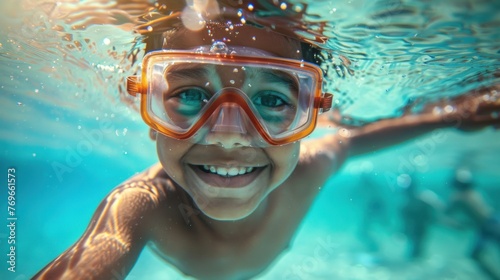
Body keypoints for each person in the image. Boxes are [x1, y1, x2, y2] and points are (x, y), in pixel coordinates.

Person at [33, 1, 500, 279]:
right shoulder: (142, 204)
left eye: (274, 101)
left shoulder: (311, 166)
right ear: (149, 113)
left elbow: (357, 140)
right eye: (190, 94)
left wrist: (451, 117)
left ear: (311, 114)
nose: (231, 134)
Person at [442, 168, 500, 280]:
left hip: (488, 225)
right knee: (476, 254)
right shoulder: (474, 192)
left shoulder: (457, 197)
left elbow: (447, 212)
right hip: (493, 220)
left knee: (475, 255)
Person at [399, 174, 442, 260]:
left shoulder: (424, 197)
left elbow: (440, 209)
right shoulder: (406, 206)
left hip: (421, 226)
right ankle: (416, 261)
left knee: (417, 247)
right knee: (416, 248)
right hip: (418, 227)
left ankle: (416, 261)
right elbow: (406, 222)